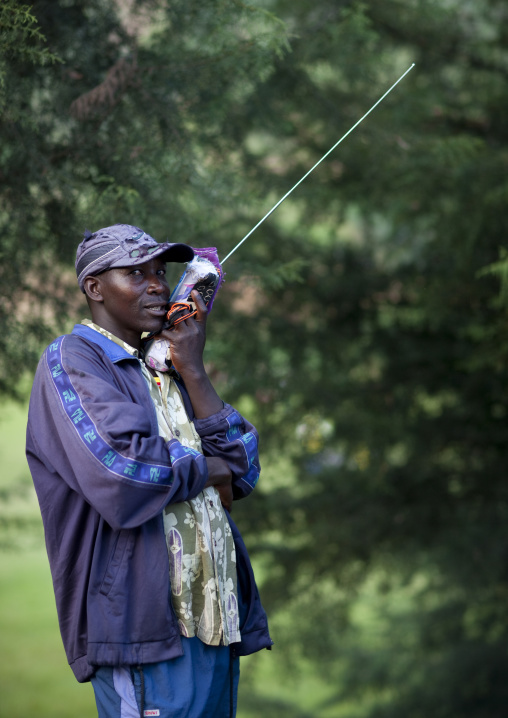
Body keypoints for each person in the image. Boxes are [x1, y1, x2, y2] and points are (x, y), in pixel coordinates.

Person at [26, 224, 272, 718]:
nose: (157, 284)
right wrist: (208, 468)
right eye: (135, 273)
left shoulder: (164, 366)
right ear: (94, 287)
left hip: (216, 621)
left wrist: (193, 370)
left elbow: (243, 467)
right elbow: (123, 469)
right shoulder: (73, 359)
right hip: (144, 629)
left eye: (160, 272)